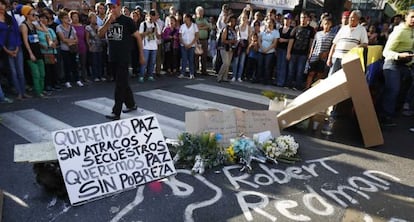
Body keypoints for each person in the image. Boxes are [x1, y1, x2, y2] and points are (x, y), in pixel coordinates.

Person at [322, 10, 368, 135]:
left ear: (358, 19)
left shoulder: (361, 30)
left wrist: (359, 47)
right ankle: (326, 107)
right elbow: (334, 44)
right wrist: (330, 57)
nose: (351, 20)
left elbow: (365, 44)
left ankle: (336, 111)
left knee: (343, 85)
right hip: (337, 57)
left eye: (353, 18)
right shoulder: (343, 28)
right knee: (331, 81)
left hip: (350, 59)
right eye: (350, 18)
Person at [98, 0, 145, 121]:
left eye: (113, 6)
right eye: (109, 7)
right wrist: (108, 22)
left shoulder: (127, 21)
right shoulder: (108, 20)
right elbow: (100, 34)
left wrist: (141, 55)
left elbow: (138, 37)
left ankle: (116, 112)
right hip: (112, 56)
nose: (111, 9)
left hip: (124, 57)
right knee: (123, 82)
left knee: (119, 85)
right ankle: (131, 104)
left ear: (119, 6)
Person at [380, 9, 414, 127]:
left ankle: (392, 114)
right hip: (392, 63)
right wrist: (399, 55)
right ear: (406, 17)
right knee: (393, 90)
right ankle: (385, 116)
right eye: (412, 17)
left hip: (405, 66)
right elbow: (386, 51)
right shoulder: (399, 31)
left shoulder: (412, 32)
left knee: (402, 91)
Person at [1, 1, 30, 100]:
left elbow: (17, 33)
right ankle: (18, 92)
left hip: (17, 46)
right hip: (6, 48)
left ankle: (23, 91)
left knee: (20, 71)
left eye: (2, 4)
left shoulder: (10, 18)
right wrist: (6, 50)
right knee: (13, 72)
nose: (1, 6)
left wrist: (17, 47)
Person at [19, 5, 47, 97]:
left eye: (35, 14)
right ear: (27, 15)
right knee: (36, 74)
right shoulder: (24, 26)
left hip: (38, 51)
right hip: (30, 53)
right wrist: (30, 53)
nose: (34, 16)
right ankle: (38, 92)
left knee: (42, 73)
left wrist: (39, 21)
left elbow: (45, 30)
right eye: (32, 15)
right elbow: (25, 41)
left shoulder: (34, 25)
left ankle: (42, 90)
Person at [286, 11, 315, 90]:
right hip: (294, 52)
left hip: (303, 54)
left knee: (300, 71)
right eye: (302, 17)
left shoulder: (311, 30)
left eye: (305, 17)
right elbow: (291, 41)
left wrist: (309, 53)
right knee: (291, 70)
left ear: (308, 19)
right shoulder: (295, 29)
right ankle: (289, 84)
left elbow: (311, 42)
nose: (303, 19)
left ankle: (298, 86)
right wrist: (288, 52)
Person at [305, 17, 334, 89]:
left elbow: (332, 47)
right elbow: (314, 45)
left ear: (331, 25)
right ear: (322, 24)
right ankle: (307, 87)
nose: (326, 26)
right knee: (311, 73)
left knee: (319, 74)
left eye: (328, 24)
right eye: (325, 24)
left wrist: (327, 53)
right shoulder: (318, 34)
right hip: (315, 55)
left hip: (323, 57)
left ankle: (315, 89)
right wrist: (310, 54)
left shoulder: (332, 35)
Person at [56, 10, 83, 88]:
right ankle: (67, 81)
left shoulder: (71, 27)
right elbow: (63, 39)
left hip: (72, 49)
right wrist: (71, 41)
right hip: (64, 49)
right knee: (66, 65)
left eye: (68, 17)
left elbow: (77, 39)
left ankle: (77, 79)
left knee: (75, 64)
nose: (67, 19)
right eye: (65, 18)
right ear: (61, 19)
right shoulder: (59, 27)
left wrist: (71, 42)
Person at [138, 9, 160, 83]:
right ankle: (141, 75)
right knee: (145, 62)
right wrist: (147, 32)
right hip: (145, 46)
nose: (151, 19)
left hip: (154, 46)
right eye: (150, 17)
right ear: (147, 16)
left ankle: (150, 75)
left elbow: (159, 36)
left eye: (153, 17)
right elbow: (140, 35)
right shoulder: (143, 24)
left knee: (152, 62)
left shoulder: (156, 24)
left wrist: (156, 31)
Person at [257, 17, 279, 84]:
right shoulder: (263, 31)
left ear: (273, 24)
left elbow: (275, 43)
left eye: (270, 23)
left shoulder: (276, 32)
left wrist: (267, 49)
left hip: (270, 52)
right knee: (260, 65)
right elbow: (259, 40)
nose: (269, 24)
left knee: (267, 66)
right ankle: (258, 79)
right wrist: (262, 48)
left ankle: (266, 80)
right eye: (268, 22)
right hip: (261, 51)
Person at [274, 13, 293, 87]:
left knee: (283, 66)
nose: (286, 21)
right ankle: (277, 80)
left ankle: (281, 82)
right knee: (278, 65)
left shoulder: (291, 30)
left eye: (288, 19)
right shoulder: (280, 29)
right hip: (279, 49)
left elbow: (292, 40)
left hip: (286, 50)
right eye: (285, 19)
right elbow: (276, 39)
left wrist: (284, 40)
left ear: (290, 20)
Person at [216, 15, 237, 83]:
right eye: (231, 21)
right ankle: (219, 76)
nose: (233, 23)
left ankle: (225, 77)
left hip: (231, 48)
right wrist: (231, 41)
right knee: (225, 63)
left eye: (234, 21)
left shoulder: (234, 29)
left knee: (228, 63)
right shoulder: (226, 29)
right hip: (224, 47)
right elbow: (223, 40)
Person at [178, 13, 199, 79]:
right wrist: (184, 44)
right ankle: (182, 73)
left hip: (192, 46)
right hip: (183, 45)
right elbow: (180, 37)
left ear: (189, 18)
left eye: (185, 17)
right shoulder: (182, 26)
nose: (184, 19)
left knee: (191, 59)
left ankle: (191, 73)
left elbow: (196, 36)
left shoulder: (194, 26)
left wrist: (190, 44)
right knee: (184, 59)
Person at [231, 12, 250, 82]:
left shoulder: (249, 28)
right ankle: (234, 76)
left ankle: (239, 76)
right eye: (243, 18)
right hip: (238, 46)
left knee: (242, 62)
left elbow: (249, 38)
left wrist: (248, 48)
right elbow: (235, 37)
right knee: (235, 61)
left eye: (245, 18)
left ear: (247, 19)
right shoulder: (237, 27)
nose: (244, 19)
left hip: (245, 45)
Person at [85, 12, 104, 82]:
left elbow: (101, 36)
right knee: (94, 62)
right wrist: (89, 46)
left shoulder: (99, 27)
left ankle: (100, 75)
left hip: (99, 46)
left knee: (100, 62)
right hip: (92, 46)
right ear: (90, 19)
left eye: (95, 18)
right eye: (93, 18)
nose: (94, 19)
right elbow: (87, 38)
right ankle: (95, 76)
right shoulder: (88, 27)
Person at [194, 6, 210, 76]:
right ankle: (195, 70)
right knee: (196, 56)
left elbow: (209, 26)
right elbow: (195, 27)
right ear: (196, 13)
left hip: (204, 40)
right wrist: (203, 27)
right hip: (197, 40)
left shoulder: (205, 20)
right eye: (199, 12)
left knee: (204, 55)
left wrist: (200, 27)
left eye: (202, 12)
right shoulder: (194, 20)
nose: (201, 14)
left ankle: (203, 70)